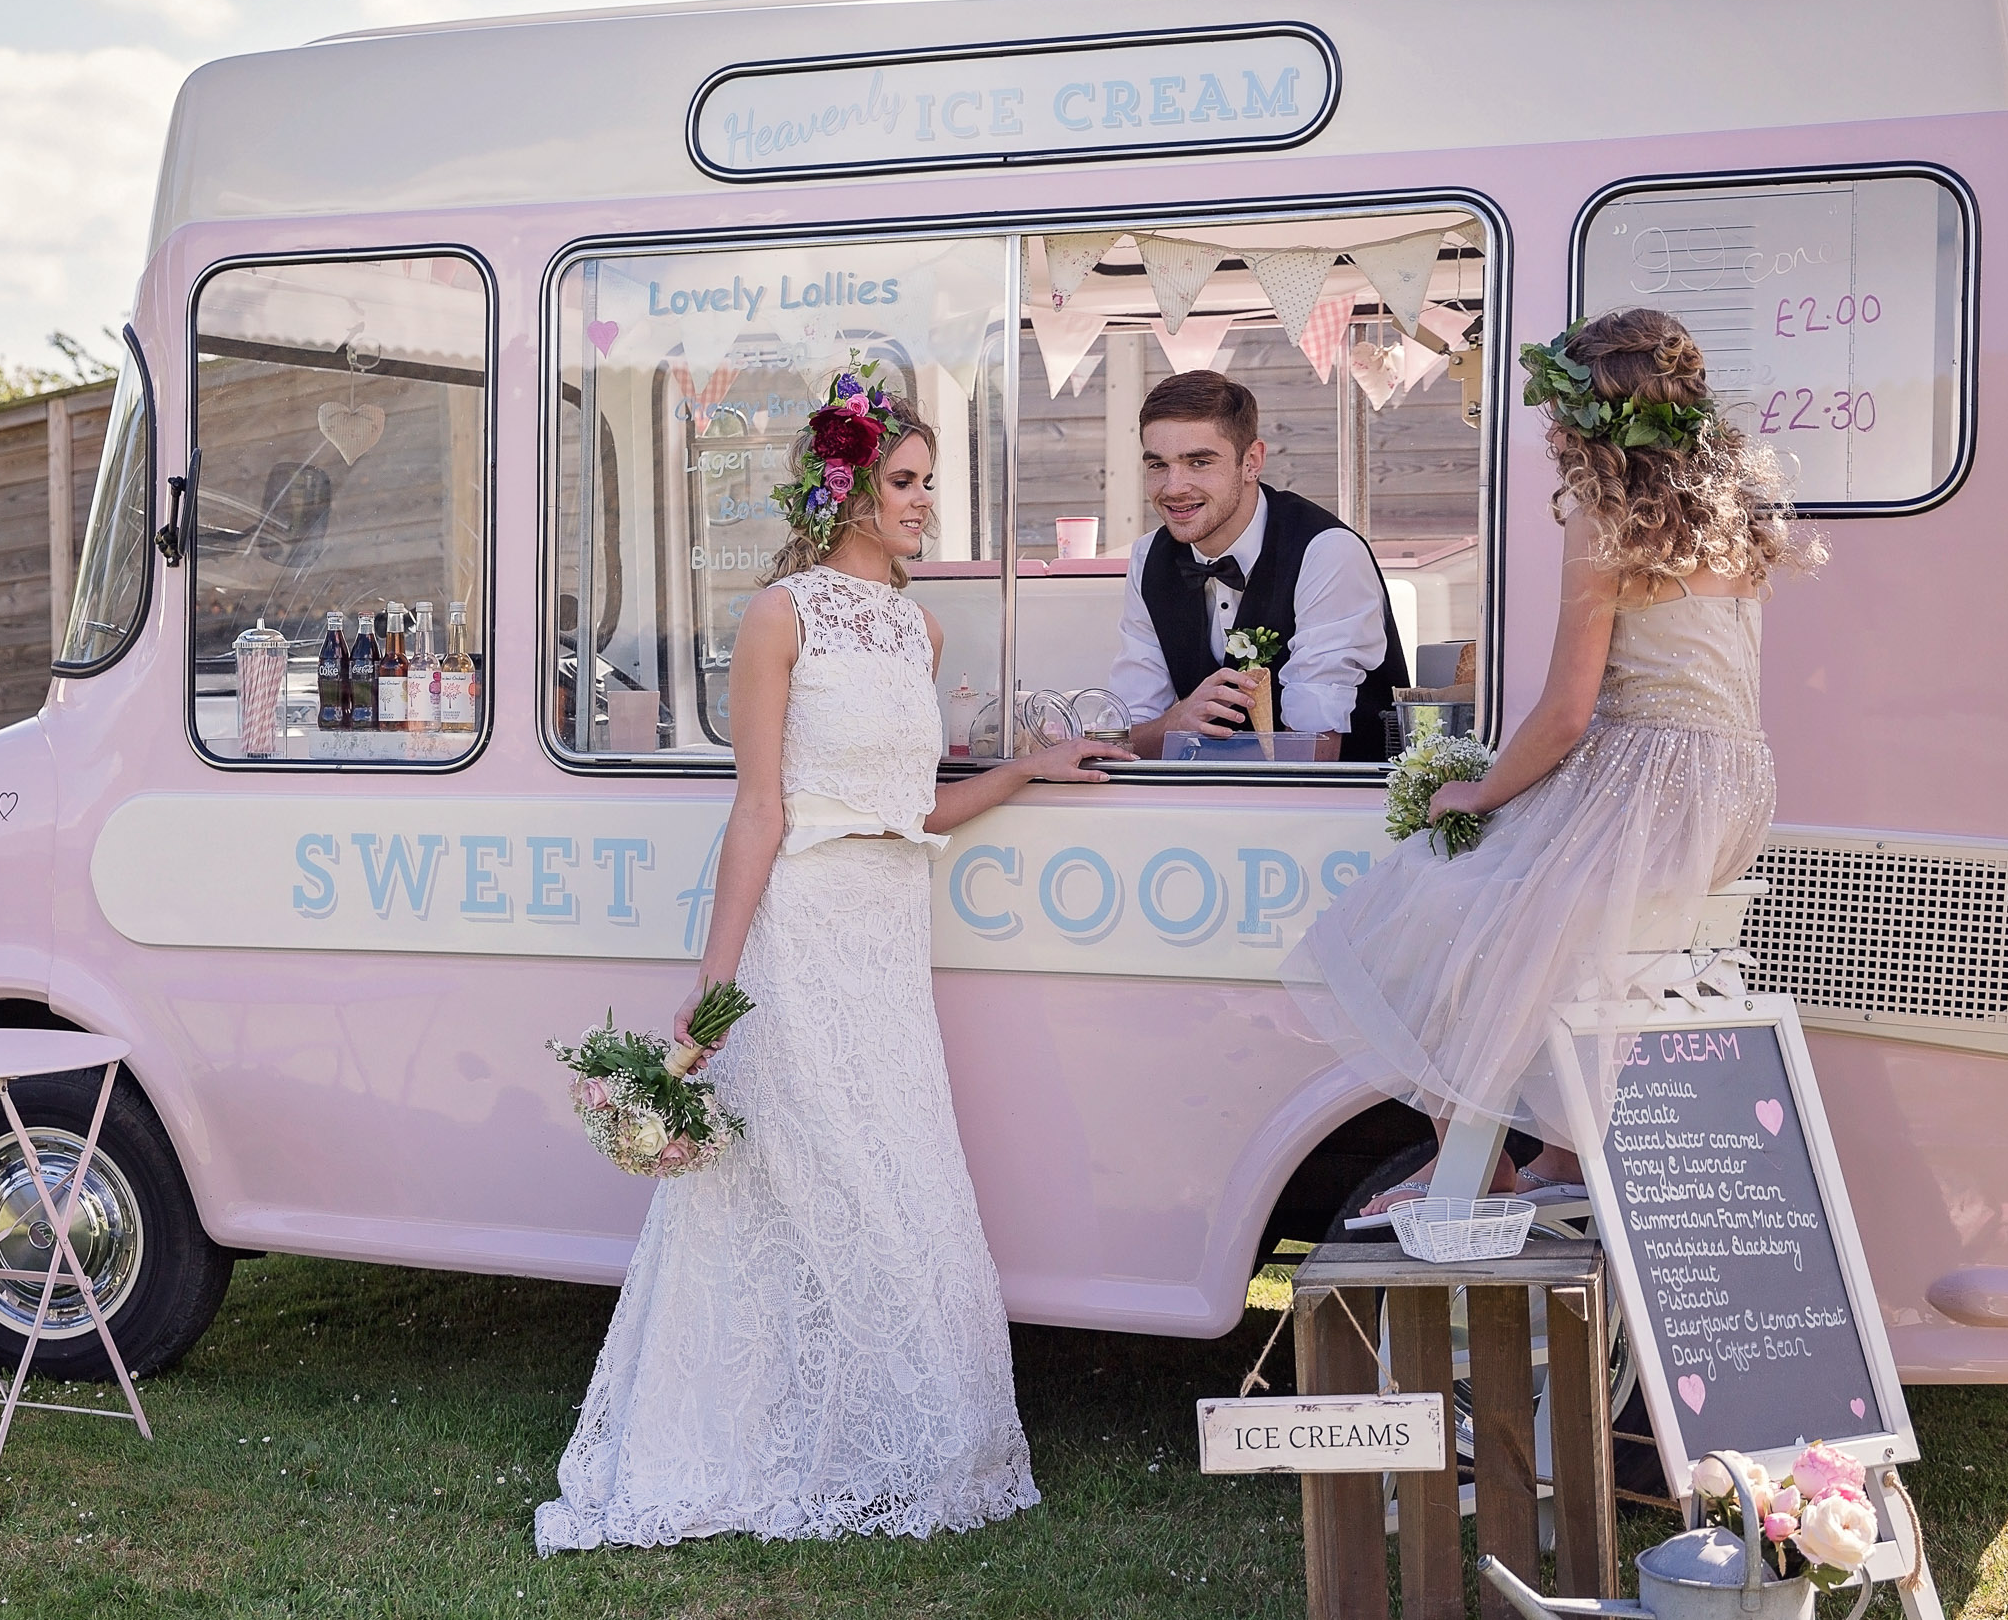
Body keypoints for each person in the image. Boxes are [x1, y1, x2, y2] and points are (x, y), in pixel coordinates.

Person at [535, 365, 1127, 1555]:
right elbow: (758, 806)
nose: (924, 504)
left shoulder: (920, 623)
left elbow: (915, 806)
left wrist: (1022, 771)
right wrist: (716, 981)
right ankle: (756, 1433)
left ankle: (907, 1435)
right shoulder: (780, 616)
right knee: (816, 1166)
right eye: (907, 483)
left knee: (897, 1161)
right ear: (848, 492)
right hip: (800, 923)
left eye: (927, 484)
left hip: (889, 925)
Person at [1286, 308, 1821, 1207]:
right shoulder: (1726, 507)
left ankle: (1473, 1159)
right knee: (1542, 927)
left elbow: (1568, 713)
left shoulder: (1607, 520)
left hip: (1646, 782)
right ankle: (1566, 1156)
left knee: (1440, 902)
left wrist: (1477, 789)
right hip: (1729, 787)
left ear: (1586, 423)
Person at [1108, 369, 1408, 760]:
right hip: (1209, 803)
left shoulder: (1326, 552)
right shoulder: (1149, 558)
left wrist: (1171, 741)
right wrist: (1174, 722)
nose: (1173, 487)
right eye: (1157, 465)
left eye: (1198, 462)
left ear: (1251, 462)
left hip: (1348, 808)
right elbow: (1124, 738)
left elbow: (1315, 751)